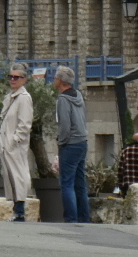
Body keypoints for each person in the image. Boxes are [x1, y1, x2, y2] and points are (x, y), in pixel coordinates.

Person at [52, 67, 91, 224]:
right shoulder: (78, 95)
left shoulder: (63, 99)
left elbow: (64, 125)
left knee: (66, 183)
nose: (54, 80)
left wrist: (61, 142)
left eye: (56, 78)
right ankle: (84, 218)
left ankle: (71, 218)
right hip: (82, 142)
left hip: (70, 144)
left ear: (60, 81)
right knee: (80, 184)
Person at [0, 64, 35, 222]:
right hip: (6, 144)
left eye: (16, 77)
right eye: (11, 77)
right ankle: (16, 209)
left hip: (15, 145)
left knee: (19, 175)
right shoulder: (11, 97)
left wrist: (15, 140)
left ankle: (20, 210)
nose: (12, 79)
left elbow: (25, 123)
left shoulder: (24, 98)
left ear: (24, 79)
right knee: (11, 176)